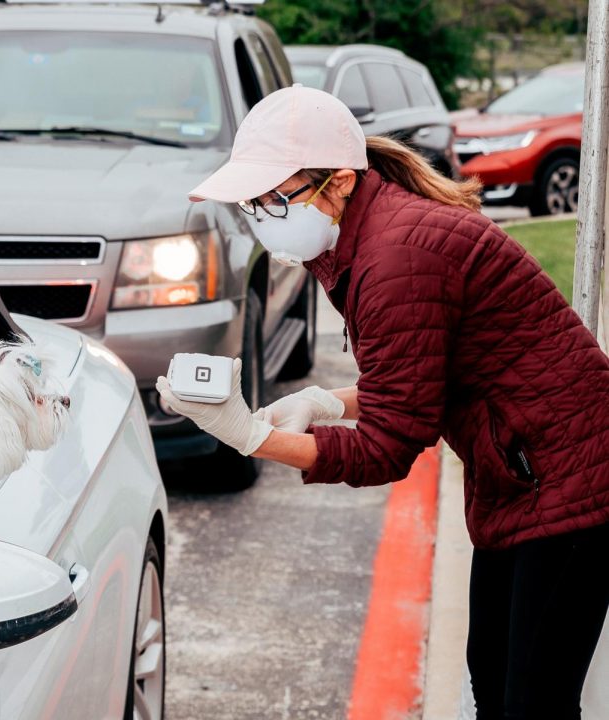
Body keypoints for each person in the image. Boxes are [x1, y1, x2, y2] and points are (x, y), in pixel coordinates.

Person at [155, 85, 609, 720]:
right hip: (520, 469)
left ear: (339, 182)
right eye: (250, 201)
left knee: (531, 702)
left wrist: (248, 436)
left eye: (273, 197)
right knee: (495, 682)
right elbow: (416, 375)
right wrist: (325, 403)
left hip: (572, 478)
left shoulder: (397, 256)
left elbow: (391, 445)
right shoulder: (371, 235)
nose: (260, 214)